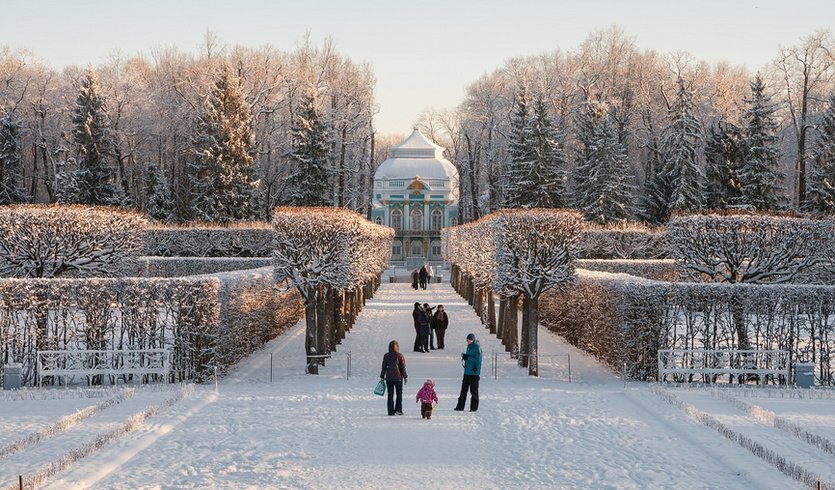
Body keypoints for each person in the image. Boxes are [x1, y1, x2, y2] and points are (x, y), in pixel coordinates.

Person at [454, 333, 482, 412]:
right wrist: (465, 356)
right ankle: (460, 407)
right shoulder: (469, 347)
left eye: (469, 340)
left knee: (474, 391)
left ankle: (473, 408)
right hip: (467, 372)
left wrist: (468, 357)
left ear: (473, 340)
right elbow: (469, 358)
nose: (468, 341)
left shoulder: (477, 348)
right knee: (463, 390)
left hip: (474, 373)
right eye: (467, 340)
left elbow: (477, 361)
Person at [380, 340, 408, 416]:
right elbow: (402, 367)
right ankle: (398, 410)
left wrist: (382, 376)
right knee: (399, 394)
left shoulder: (386, 355)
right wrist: (405, 377)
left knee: (390, 394)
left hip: (389, 377)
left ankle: (390, 411)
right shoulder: (400, 355)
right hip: (398, 377)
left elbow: (383, 367)